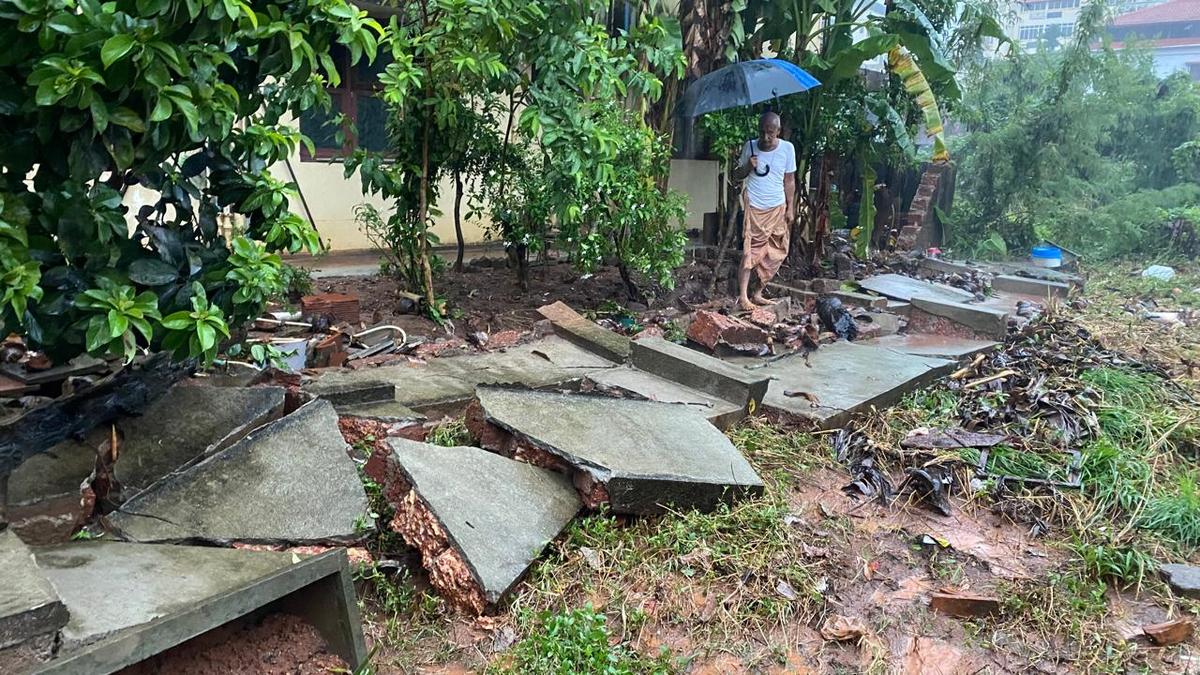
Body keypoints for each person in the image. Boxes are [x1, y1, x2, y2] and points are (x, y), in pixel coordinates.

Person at [731, 111, 796, 310]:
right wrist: (748, 167)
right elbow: (736, 176)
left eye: (770, 133)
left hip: (777, 207)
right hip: (755, 207)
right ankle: (743, 297)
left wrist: (790, 207)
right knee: (750, 252)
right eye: (762, 132)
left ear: (778, 131)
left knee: (777, 252)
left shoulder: (787, 148)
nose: (765, 137)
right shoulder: (749, 147)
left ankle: (758, 292)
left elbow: (789, 180)